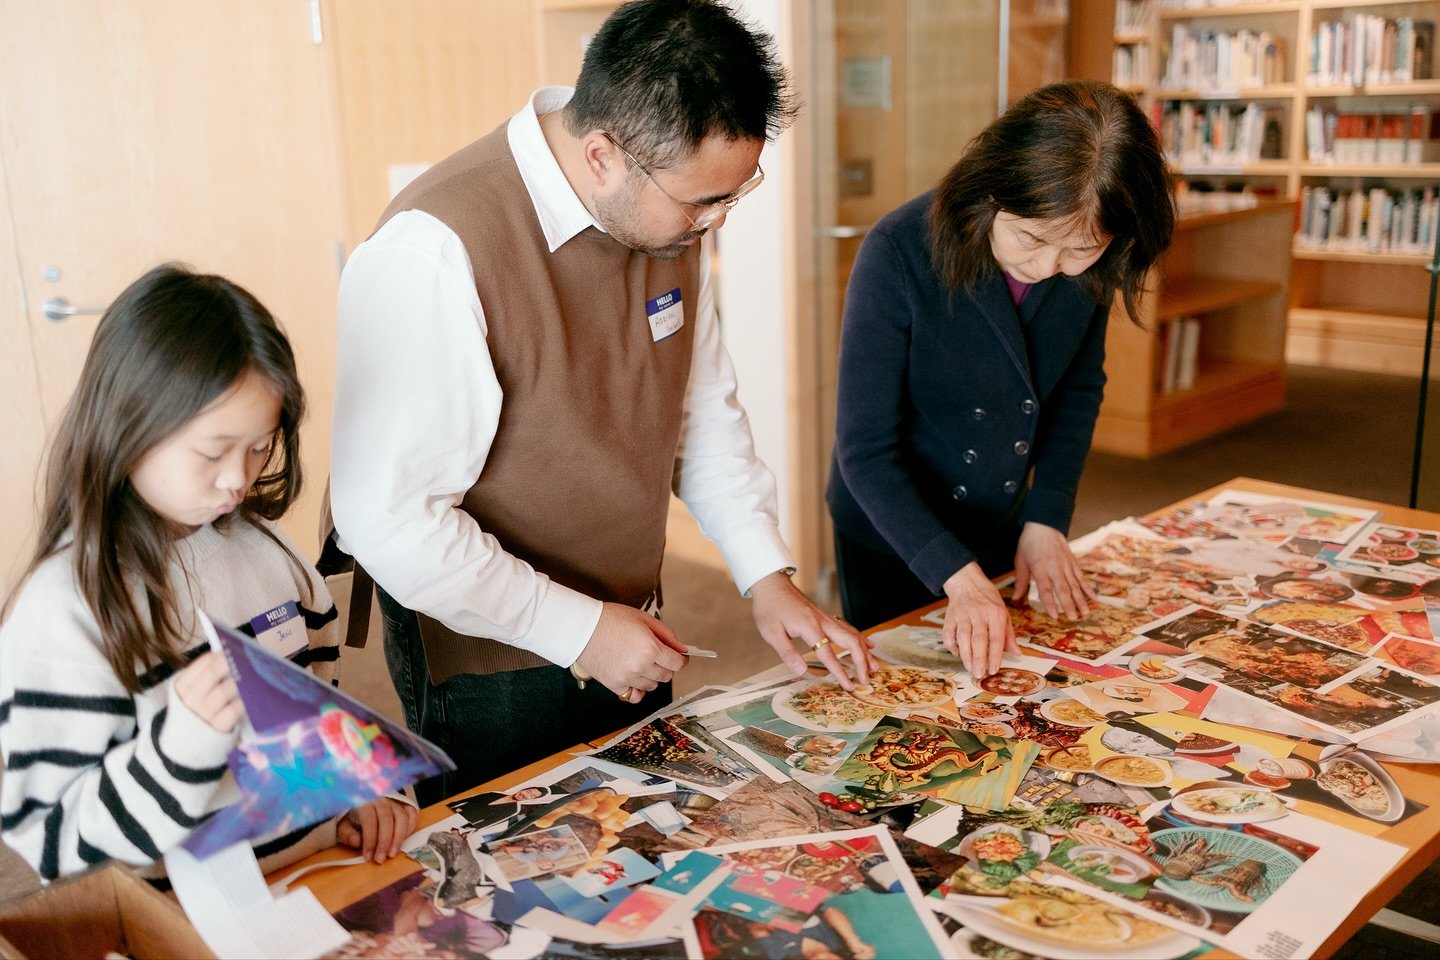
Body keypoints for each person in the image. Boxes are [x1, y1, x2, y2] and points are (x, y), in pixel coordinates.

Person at [329, 0, 872, 804]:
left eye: (735, 195)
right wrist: (577, 631)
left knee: (641, 841)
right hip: (492, 647)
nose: (715, 223)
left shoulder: (670, 228)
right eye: (700, 201)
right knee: (514, 883)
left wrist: (766, 576)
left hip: (635, 617)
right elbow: (391, 522)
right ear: (602, 155)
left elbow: (702, 417)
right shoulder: (433, 250)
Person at [0, 265, 415, 882]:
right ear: (129, 425)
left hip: (320, 874)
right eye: (212, 450)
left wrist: (365, 793)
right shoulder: (64, 612)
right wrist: (182, 745)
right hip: (180, 915)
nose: (237, 478)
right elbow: (53, 846)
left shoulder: (269, 553)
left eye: (258, 447)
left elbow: (322, 712)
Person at [826, 79, 1175, 680]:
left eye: (1078, 253)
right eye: (1031, 239)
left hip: (999, 515)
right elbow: (864, 452)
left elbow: (1076, 391)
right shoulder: (898, 250)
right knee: (901, 706)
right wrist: (957, 577)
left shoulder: (1092, 259)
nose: (1047, 269)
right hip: (894, 529)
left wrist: (1046, 518)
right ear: (992, 188)